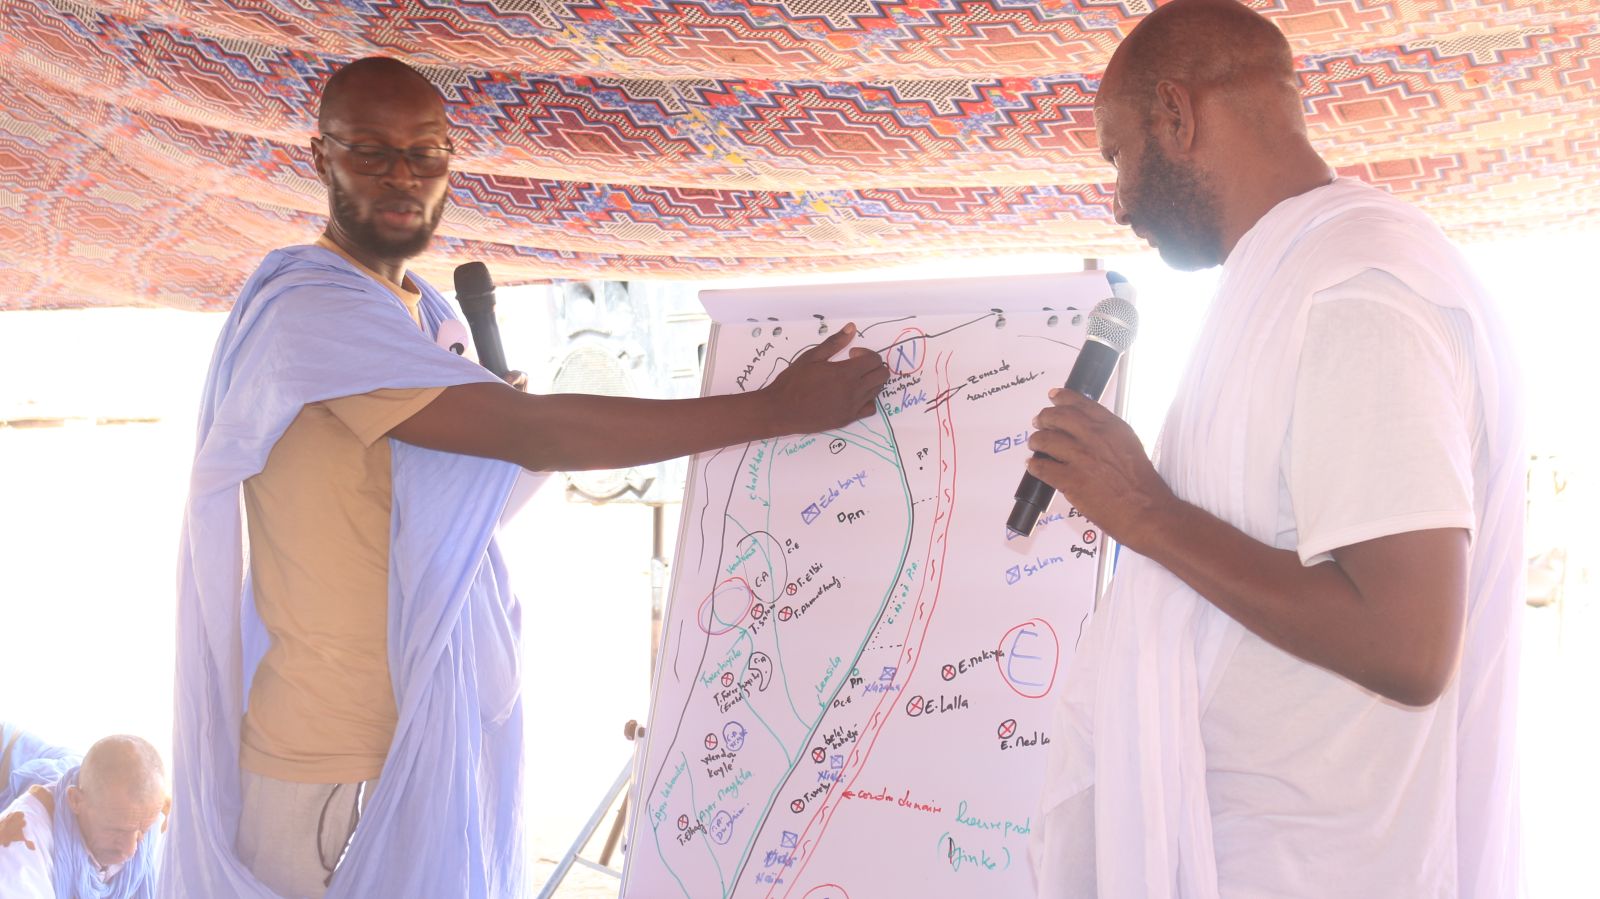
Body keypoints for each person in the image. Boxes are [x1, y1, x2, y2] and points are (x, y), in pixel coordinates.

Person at [160, 56, 888, 899]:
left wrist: (494, 428)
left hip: (428, 735)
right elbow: (537, 433)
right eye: (370, 151)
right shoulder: (311, 307)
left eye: (425, 153)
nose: (402, 176)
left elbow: (450, 518)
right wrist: (771, 409)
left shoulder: (426, 318)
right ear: (321, 156)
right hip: (326, 755)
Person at [1025, 2, 1523, 897]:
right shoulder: (1289, 281)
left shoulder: (1358, 293)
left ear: (1176, 114)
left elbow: (1408, 642)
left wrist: (1144, 512)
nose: (1119, 200)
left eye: (1118, 156)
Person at [0, 730, 167, 898]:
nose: (131, 850)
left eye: (143, 831)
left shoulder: (157, 817)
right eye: (117, 831)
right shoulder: (19, 846)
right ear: (75, 801)